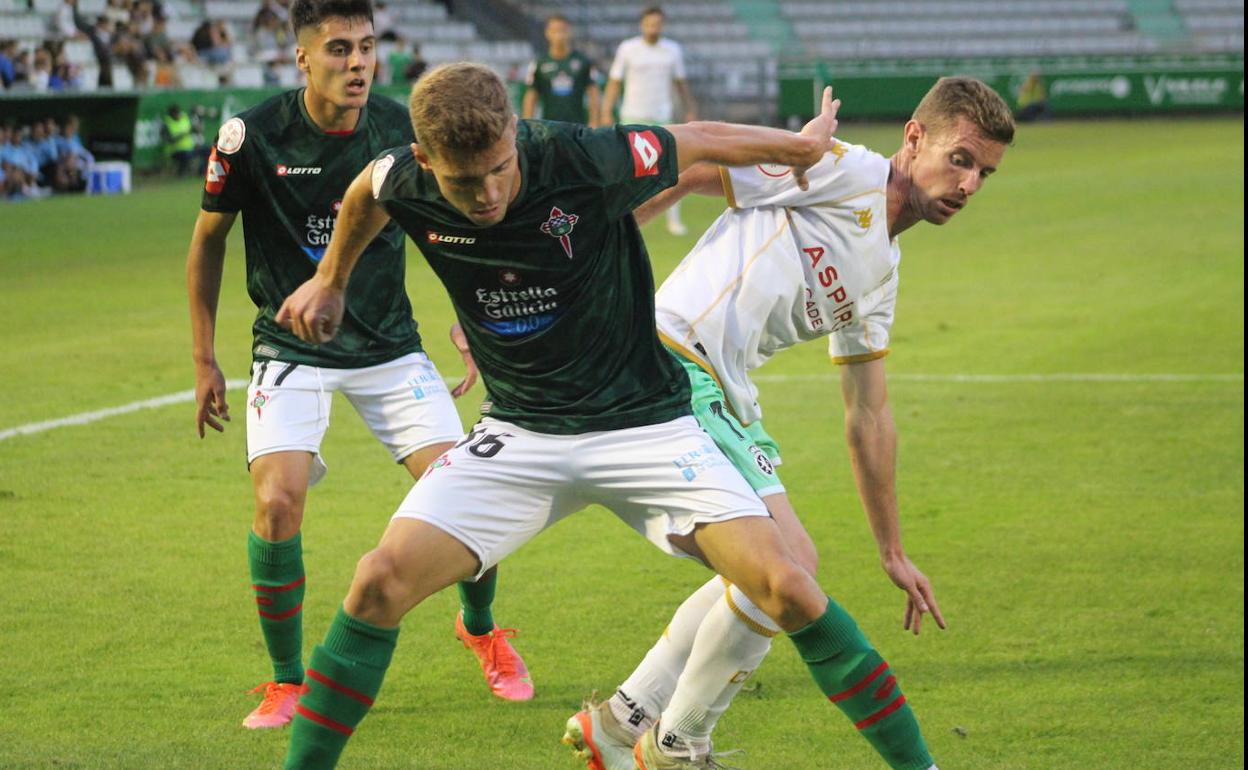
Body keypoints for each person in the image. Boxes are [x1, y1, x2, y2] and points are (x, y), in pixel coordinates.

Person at [270, 63, 932, 770]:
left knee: (790, 584)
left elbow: (701, 139)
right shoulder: (402, 175)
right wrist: (329, 277)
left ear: (515, 140)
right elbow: (365, 192)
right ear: (428, 161)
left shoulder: (581, 157)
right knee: (377, 583)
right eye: (465, 182)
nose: (488, 194)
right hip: (519, 434)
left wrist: (801, 151)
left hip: (648, 425)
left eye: (499, 169)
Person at [562, 77, 1014, 770]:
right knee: (789, 567)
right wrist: (582, 271)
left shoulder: (882, 274)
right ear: (914, 138)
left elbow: (869, 412)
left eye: (984, 172)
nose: (970, 185)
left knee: (774, 570)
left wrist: (892, 551)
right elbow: (697, 167)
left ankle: (623, 724)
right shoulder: (844, 169)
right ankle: (678, 746)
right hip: (674, 355)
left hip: (725, 391)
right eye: (961, 159)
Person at [185, 0, 532, 733]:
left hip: (389, 348)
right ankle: (285, 682)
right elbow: (209, 239)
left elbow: (460, 219)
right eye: (339, 48)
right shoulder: (251, 136)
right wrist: (203, 358)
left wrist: (471, 325)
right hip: (290, 346)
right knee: (277, 503)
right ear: (302, 59)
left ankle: (483, 627)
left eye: (367, 46)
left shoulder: (407, 130)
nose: (358, 63)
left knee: (468, 489)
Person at [601, 5, 696, 236]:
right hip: (632, 115)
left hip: (661, 116)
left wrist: (690, 108)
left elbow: (680, 83)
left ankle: (673, 219)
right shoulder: (628, 49)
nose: (653, 28)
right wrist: (606, 111)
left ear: (662, 25)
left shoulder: (672, 50)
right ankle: (626, 217)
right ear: (642, 24)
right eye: (650, 23)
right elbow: (614, 82)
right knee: (629, 168)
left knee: (670, 166)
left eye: (657, 24)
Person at [522, 14, 600, 127]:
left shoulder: (583, 61)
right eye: (554, 30)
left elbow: (593, 94)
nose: (559, 34)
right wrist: (528, 124)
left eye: (562, 30)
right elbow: (531, 96)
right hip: (548, 127)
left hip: (577, 127)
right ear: (547, 33)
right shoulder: (539, 64)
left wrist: (594, 122)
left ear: (570, 32)